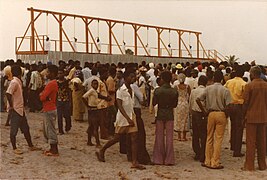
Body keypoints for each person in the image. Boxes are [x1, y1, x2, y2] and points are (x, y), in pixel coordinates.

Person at [96, 70, 146, 170]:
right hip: (123, 118)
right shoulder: (120, 90)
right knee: (117, 138)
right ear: (126, 77)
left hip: (132, 116)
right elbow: (119, 106)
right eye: (131, 77)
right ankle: (102, 150)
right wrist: (128, 119)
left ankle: (134, 161)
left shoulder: (131, 88)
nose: (133, 78)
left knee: (134, 138)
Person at [197, 70, 232, 169]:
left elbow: (198, 99)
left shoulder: (208, 88)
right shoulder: (225, 90)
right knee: (218, 139)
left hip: (211, 113)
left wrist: (204, 111)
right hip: (221, 113)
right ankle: (215, 161)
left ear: (212, 78)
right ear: (222, 79)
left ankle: (207, 160)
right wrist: (226, 114)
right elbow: (229, 105)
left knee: (209, 137)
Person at [6, 65, 40, 154]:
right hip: (16, 109)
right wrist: (12, 106)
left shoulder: (17, 81)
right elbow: (8, 93)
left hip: (20, 109)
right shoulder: (14, 82)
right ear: (20, 73)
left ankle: (31, 145)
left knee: (25, 128)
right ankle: (14, 148)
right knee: (14, 130)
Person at [242, 66, 267, 171]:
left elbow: (245, 102)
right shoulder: (266, 85)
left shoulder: (249, 86)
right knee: (262, 142)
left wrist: (244, 115)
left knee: (251, 142)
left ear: (252, 74)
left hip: (251, 117)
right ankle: (262, 165)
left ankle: (249, 165)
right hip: (263, 116)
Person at [152, 71, 178, 165]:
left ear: (162, 79)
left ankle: (158, 158)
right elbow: (175, 105)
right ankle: (169, 159)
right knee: (170, 138)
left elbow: (154, 103)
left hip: (160, 114)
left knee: (159, 136)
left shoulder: (158, 90)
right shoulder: (174, 91)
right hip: (169, 114)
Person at [224, 66, 246, 157]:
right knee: (239, 128)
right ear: (243, 74)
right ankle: (237, 150)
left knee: (232, 125)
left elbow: (224, 91)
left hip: (229, 105)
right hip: (238, 105)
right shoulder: (244, 83)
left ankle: (233, 145)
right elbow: (245, 97)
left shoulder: (229, 82)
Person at [39, 65, 59, 156]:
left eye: (48, 72)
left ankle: (54, 149)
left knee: (50, 129)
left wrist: (42, 95)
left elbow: (43, 97)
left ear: (52, 73)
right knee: (49, 128)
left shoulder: (51, 84)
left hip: (49, 108)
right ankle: (52, 148)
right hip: (50, 107)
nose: (46, 74)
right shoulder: (53, 83)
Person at [189, 75, 208, 162]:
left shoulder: (193, 91)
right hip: (203, 113)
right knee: (203, 134)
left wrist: (191, 112)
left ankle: (197, 152)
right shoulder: (206, 91)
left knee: (195, 134)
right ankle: (202, 153)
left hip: (194, 113)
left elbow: (190, 102)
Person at [82, 79, 101, 147]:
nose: (96, 85)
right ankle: (98, 143)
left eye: (97, 84)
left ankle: (89, 141)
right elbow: (83, 97)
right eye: (94, 84)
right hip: (92, 109)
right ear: (92, 85)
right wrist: (87, 105)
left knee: (91, 126)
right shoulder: (91, 90)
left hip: (94, 109)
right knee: (95, 126)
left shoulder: (95, 91)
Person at [174, 73, 191, 141]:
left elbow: (175, 96)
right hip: (185, 103)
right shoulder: (187, 86)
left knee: (178, 119)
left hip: (178, 103)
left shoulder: (176, 87)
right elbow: (190, 95)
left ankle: (179, 136)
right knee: (185, 119)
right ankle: (184, 136)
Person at [56, 67, 72, 134]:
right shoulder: (56, 82)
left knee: (67, 115)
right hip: (59, 101)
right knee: (59, 116)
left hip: (66, 100)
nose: (60, 75)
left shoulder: (67, 82)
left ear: (64, 73)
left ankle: (68, 126)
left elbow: (70, 92)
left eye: (61, 73)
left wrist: (70, 101)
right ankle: (60, 130)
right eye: (59, 73)